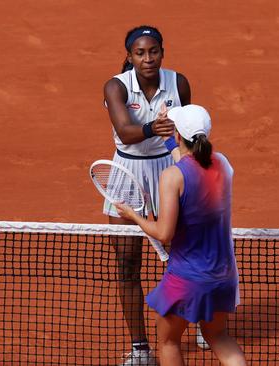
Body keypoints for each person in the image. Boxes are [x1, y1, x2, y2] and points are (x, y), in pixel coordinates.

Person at [115, 105, 247, 366]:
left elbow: (164, 234)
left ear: (179, 134)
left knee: (168, 341)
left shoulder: (172, 177)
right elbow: (188, 161)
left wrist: (134, 216)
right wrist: (167, 139)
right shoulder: (223, 164)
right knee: (218, 335)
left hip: (187, 279)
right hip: (224, 276)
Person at [103, 25, 190, 365]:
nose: (147, 58)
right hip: (126, 173)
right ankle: (140, 349)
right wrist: (156, 127)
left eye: (153, 51)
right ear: (130, 56)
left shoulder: (178, 82)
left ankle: (199, 320)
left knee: (186, 254)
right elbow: (125, 133)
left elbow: (187, 132)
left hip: (169, 170)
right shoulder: (115, 86)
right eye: (140, 53)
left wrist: (183, 155)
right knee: (127, 264)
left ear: (162, 53)